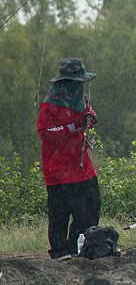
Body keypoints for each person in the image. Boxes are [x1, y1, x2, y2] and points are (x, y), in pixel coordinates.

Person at [36, 58, 100, 261]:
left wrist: (90, 117)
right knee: (59, 213)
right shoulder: (50, 105)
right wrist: (74, 126)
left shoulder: (80, 99)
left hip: (81, 166)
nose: (80, 86)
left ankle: (77, 246)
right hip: (58, 168)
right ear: (66, 83)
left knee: (91, 206)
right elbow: (45, 132)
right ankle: (59, 251)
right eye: (77, 82)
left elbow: (88, 111)